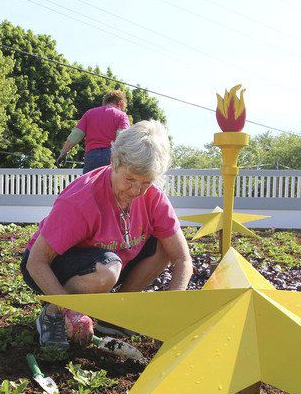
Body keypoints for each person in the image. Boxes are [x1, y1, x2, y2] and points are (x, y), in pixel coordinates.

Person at [23, 120, 193, 349]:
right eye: (130, 179)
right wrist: (70, 311)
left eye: (146, 183)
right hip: (53, 266)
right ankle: (52, 314)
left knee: (164, 245)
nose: (135, 191)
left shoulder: (154, 198)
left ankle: (113, 316)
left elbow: (182, 258)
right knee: (108, 269)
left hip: (109, 263)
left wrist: (170, 317)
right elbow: (37, 261)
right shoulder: (82, 200)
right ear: (114, 162)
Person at [56, 90, 131, 173]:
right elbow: (123, 138)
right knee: (110, 185)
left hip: (91, 156)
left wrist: (63, 153)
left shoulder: (89, 113)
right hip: (111, 156)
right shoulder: (121, 115)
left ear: (106, 101)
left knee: (90, 184)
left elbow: (75, 136)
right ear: (120, 103)